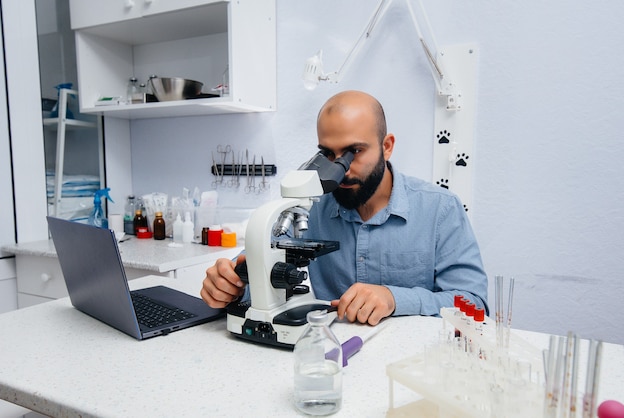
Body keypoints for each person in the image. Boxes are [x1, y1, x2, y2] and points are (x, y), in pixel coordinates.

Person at [201, 90, 488, 326]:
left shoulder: (439, 209)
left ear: (387, 146)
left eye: (355, 152)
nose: (341, 170)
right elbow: (259, 264)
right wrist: (230, 285)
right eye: (328, 154)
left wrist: (395, 298)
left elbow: (475, 303)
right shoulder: (310, 207)